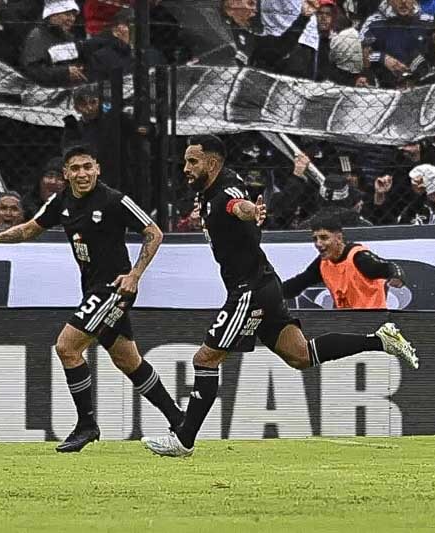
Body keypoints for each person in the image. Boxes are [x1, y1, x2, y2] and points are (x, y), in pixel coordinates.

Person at [141, 135, 419, 459]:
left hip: (250, 291)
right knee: (300, 356)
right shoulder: (218, 186)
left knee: (205, 359)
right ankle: (380, 341)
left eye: (193, 161)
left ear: (212, 163)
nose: (186, 168)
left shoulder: (223, 195)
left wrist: (249, 212)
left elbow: (238, 207)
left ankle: (184, 439)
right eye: (186, 161)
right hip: (264, 284)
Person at [0, 144, 184, 453]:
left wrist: (134, 275)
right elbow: (30, 229)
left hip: (113, 288)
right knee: (128, 360)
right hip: (93, 289)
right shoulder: (61, 201)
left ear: (97, 169)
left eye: (88, 167)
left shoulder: (115, 200)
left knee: (67, 347)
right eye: (75, 169)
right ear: (65, 174)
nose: (82, 173)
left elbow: (154, 233)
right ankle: (178, 419)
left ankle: (86, 424)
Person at [282, 214, 405, 308]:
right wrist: (271, 295)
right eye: (315, 239)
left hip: (374, 322)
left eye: (324, 238)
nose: (318, 244)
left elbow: (388, 267)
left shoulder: (358, 258)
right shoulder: (323, 263)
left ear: (339, 238)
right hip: (345, 322)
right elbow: (299, 282)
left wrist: (397, 276)